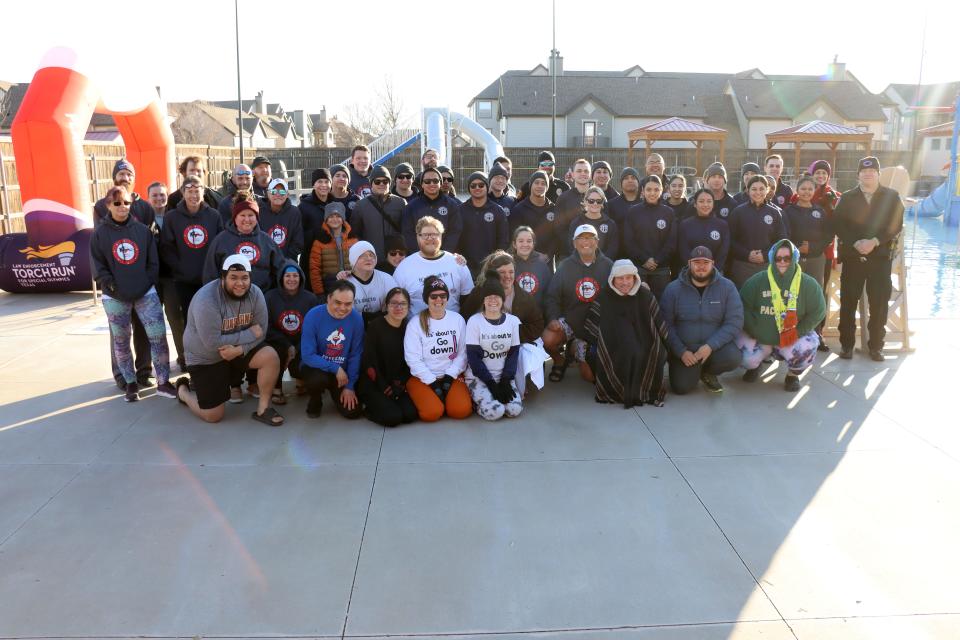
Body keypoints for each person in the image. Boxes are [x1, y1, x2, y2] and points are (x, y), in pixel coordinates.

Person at [176, 254, 283, 425]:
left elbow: (261, 332)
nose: (240, 283)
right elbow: (212, 343)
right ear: (222, 277)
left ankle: (264, 409)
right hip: (206, 356)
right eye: (233, 277)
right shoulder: (207, 299)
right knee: (213, 416)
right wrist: (248, 335)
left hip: (236, 350)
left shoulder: (255, 294)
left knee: (270, 356)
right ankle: (183, 392)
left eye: (244, 278)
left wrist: (240, 350)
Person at [91, 185, 174, 402]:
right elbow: (98, 266)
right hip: (115, 296)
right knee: (121, 341)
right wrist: (112, 286)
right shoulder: (100, 234)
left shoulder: (142, 231)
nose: (122, 207)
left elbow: (152, 263)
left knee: (157, 338)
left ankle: (163, 381)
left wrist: (146, 284)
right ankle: (130, 383)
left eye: (126, 203)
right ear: (108, 205)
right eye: (117, 203)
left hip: (145, 294)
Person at [94, 159, 157, 388]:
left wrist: (148, 278)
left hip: (141, 282)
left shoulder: (144, 207)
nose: (125, 177)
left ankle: (144, 371)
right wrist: (109, 282)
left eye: (129, 173)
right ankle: (122, 375)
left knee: (143, 328)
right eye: (121, 173)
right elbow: (98, 245)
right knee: (119, 333)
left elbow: (151, 242)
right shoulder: (102, 206)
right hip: (116, 285)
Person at [833, 156, 903, 361]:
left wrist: (874, 241)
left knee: (879, 304)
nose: (868, 173)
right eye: (864, 171)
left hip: (880, 258)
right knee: (847, 303)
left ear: (878, 173)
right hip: (853, 257)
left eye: (872, 170)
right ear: (858, 175)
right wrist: (855, 242)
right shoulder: (847, 197)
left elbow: (896, 224)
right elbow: (838, 224)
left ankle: (876, 346)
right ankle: (846, 345)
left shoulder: (892, 196)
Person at [738, 239, 825, 391]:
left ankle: (792, 375)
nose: (782, 262)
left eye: (787, 258)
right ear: (772, 259)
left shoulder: (808, 284)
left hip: (790, 337)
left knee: (807, 346)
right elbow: (742, 306)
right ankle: (755, 366)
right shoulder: (758, 281)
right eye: (778, 258)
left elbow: (818, 311)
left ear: (794, 259)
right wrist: (755, 329)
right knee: (744, 355)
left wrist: (797, 332)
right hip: (762, 337)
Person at [583, 259, 670, 407]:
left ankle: (644, 392)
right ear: (613, 279)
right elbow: (592, 328)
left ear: (635, 278)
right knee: (611, 354)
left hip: (644, 340)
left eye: (628, 278)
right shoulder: (604, 297)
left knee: (654, 352)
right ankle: (614, 391)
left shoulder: (645, 295)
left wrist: (665, 344)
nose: (625, 282)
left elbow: (660, 325)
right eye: (620, 278)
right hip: (612, 343)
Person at [158, 175, 224, 367]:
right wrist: (180, 268)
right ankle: (193, 361)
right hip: (184, 281)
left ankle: (214, 360)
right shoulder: (172, 217)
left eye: (197, 190)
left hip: (209, 281)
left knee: (212, 321)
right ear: (182, 193)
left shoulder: (214, 216)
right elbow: (166, 248)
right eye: (189, 190)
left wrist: (215, 271)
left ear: (203, 192)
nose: (194, 195)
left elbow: (221, 246)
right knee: (189, 323)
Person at [660, 246, 743, 394]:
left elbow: (735, 322)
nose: (701, 267)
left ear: (713, 263)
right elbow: (666, 325)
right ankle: (692, 371)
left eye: (705, 262)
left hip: (713, 348)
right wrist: (681, 351)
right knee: (681, 388)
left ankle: (708, 372)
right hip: (685, 350)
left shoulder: (727, 287)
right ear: (689, 263)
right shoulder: (673, 289)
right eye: (696, 262)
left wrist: (710, 346)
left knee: (733, 357)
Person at [463, 252, 547, 397]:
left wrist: (511, 335)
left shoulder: (524, 297)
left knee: (529, 362)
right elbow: (464, 317)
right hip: (484, 343)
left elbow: (537, 324)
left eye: (511, 271)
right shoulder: (479, 293)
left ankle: (515, 382)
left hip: (515, 342)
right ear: (493, 274)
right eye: (502, 272)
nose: (508, 276)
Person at [543, 224, 613, 382]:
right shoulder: (565, 266)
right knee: (548, 339)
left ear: (597, 241)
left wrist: (641, 284)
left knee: (589, 378)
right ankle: (560, 361)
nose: (585, 242)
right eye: (581, 238)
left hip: (595, 328)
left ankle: (575, 349)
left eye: (590, 238)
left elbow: (620, 289)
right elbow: (552, 296)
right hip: (570, 322)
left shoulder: (608, 265)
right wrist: (553, 317)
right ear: (574, 243)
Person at [403, 275, 471, 421]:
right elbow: (412, 358)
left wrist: (449, 377)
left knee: (460, 411)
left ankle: (445, 399)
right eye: (434, 296)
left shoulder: (457, 319)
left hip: (451, 375)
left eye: (443, 295)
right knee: (431, 414)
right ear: (426, 299)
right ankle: (425, 395)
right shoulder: (415, 323)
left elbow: (463, 353)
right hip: (422, 377)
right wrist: (432, 383)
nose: (439, 300)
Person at [299, 279, 364, 419]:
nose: (342, 308)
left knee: (353, 413)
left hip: (342, 374)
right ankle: (315, 400)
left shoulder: (356, 319)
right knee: (316, 380)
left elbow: (355, 354)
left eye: (348, 304)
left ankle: (337, 392)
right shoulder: (313, 315)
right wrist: (335, 368)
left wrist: (350, 386)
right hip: (317, 368)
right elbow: (308, 355)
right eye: (338, 302)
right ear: (328, 298)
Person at [464, 273, 523, 420]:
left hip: (503, 376)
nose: (492, 300)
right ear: (483, 300)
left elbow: (513, 354)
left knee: (514, 410)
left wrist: (505, 380)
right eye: (488, 297)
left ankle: (493, 395)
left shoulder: (513, 321)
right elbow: (473, 358)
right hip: (479, 378)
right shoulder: (474, 321)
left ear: (502, 299)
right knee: (495, 412)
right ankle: (477, 403)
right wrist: (491, 384)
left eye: (496, 296)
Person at [359, 287, 418, 427]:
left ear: (408, 307)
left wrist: (400, 383)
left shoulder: (409, 327)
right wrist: (383, 386)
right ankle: (368, 409)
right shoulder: (375, 326)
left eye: (403, 303)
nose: (398, 307)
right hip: (375, 382)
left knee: (410, 415)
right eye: (393, 303)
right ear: (386, 306)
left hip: (396, 383)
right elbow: (369, 361)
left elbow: (410, 361)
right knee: (393, 418)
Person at [393, 216, 474, 315]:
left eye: (435, 234)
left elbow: (468, 298)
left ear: (441, 236)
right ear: (417, 237)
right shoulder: (404, 267)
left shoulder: (457, 263)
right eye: (425, 235)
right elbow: (396, 303)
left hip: (452, 327)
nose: (430, 238)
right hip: (418, 328)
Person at [203, 196, 285, 292]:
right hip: (228, 298)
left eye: (251, 215)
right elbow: (210, 274)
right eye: (242, 215)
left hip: (262, 296)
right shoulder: (221, 240)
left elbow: (280, 269)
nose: (247, 219)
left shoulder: (266, 240)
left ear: (257, 218)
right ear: (235, 217)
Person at [263, 261, 318, 404]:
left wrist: (297, 347)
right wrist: (287, 345)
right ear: (281, 278)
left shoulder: (310, 298)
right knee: (275, 352)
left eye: (295, 276)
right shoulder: (269, 297)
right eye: (288, 276)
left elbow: (314, 328)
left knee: (306, 354)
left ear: (301, 278)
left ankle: (301, 379)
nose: (292, 279)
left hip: (301, 342)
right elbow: (266, 326)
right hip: (278, 341)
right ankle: (276, 387)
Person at [148, 181, 185, 370]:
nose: (159, 198)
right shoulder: (144, 219)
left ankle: (183, 357)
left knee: (175, 319)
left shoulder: (174, 217)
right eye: (155, 195)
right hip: (151, 279)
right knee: (152, 323)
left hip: (170, 277)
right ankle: (155, 364)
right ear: (148, 198)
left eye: (162, 194)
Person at [728, 175, 788, 288]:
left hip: (767, 265)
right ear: (748, 190)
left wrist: (765, 255)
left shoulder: (774, 213)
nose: (758, 192)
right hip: (742, 266)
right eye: (754, 189)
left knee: (765, 301)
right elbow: (730, 240)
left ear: (767, 190)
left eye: (761, 189)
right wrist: (747, 255)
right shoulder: (738, 212)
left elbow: (781, 240)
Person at [624, 175, 676, 299]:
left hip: (661, 269)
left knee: (662, 305)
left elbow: (672, 242)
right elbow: (628, 241)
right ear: (642, 191)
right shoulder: (633, 212)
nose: (652, 193)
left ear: (662, 190)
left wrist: (657, 260)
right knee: (638, 305)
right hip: (639, 268)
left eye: (656, 189)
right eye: (649, 189)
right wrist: (644, 260)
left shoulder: (669, 213)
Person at [401, 166, 463, 254]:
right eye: (427, 181)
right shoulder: (411, 206)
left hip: (444, 255)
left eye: (435, 181)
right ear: (422, 184)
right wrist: (420, 253)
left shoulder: (452, 205)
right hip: (420, 256)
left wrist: (443, 252)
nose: (431, 184)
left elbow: (455, 231)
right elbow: (408, 233)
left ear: (440, 183)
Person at [351, 165, 406, 260]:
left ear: (390, 183)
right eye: (377, 181)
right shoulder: (360, 206)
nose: (381, 184)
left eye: (385, 181)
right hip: (371, 260)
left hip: (396, 259)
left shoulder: (401, 203)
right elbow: (355, 235)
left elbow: (406, 231)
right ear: (371, 183)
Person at [459, 171, 509, 272]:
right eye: (473, 186)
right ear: (469, 188)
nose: (477, 188)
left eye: (481, 185)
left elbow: (503, 240)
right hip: (465, 266)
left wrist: (495, 261)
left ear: (487, 187)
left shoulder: (497, 211)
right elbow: (455, 237)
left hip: (490, 267)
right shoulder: (460, 210)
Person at [341, 241, 398, 325]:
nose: (368, 258)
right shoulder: (345, 282)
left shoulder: (386, 279)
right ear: (353, 260)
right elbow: (346, 314)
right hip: (355, 328)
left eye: (371, 255)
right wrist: (380, 314)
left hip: (382, 326)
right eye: (362, 255)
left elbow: (395, 307)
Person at [308, 202, 358, 297]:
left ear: (343, 219)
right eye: (331, 216)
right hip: (329, 286)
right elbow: (314, 270)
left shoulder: (353, 239)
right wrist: (319, 293)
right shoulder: (319, 241)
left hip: (352, 283)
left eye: (338, 216)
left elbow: (359, 263)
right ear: (326, 220)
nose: (334, 219)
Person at [510, 170, 559, 259]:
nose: (540, 186)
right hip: (525, 259)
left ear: (547, 187)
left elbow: (556, 236)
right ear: (531, 185)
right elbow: (514, 236)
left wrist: (549, 254)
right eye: (536, 183)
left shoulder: (553, 209)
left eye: (543, 183)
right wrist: (533, 254)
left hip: (547, 260)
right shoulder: (519, 209)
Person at [677, 188, 730, 270]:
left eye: (709, 201)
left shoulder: (722, 225)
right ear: (695, 204)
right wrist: (694, 269)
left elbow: (723, 252)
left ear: (713, 203)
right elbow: (683, 251)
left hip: (715, 272)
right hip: (691, 272)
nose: (705, 204)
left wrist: (713, 270)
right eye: (701, 201)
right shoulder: (685, 224)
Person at [298, 168, 333, 288]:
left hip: (331, 259)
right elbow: (298, 236)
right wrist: (314, 234)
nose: (323, 185)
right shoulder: (304, 207)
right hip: (310, 259)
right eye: (319, 182)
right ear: (314, 184)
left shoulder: (335, 204)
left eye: (326, 181)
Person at [554, 159, 592, 261]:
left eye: (586, 171)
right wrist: (575, 247)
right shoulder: (563, 199)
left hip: (593, 254)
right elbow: (559, 229)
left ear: (590, 175)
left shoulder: (598, 197)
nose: (583, 174)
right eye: (579, 171)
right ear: (573, 175)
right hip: (569, 255)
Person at [257, 178, 303, 261]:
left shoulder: (294, 212)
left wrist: (285, 260)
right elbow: (257, 238)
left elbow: (298, 241)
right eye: (274, 192)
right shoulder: (259, 211)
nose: (278, 195)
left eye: (282, 192)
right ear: (268, 193)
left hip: (288, 261)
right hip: (265, 261)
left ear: (287, 194)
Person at [567, 185, 619, 259]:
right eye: (591, 201)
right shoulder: (576, 223)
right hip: (580, 265)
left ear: (602, 203)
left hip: (603, 265)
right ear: (585, 201)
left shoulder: (610, 224)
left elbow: (612, 249)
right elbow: (572, 246)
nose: (595, 204)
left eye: (599, 201)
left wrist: (599, 262)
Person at [509, 226, 553, 311]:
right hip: (513, 317)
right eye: (521, 241)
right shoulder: (508, 264)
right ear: (514, 244)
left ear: (533, 244)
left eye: (529, 241)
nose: (525, 244)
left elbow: (549, 295)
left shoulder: (542, 265)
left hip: (538, 317)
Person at [607, 167, 642, 250]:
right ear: (621, 183)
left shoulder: (645, 204)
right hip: (618, 254)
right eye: (626, 178)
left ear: (638, 182)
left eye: (633, 178)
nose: (630, 180)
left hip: (642, 255)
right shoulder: (611, 205)